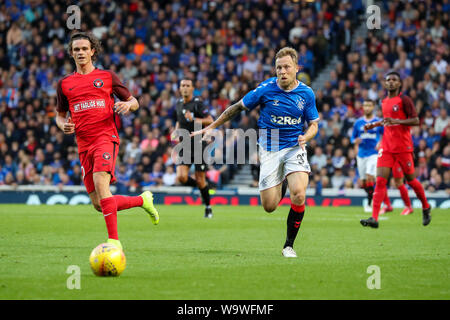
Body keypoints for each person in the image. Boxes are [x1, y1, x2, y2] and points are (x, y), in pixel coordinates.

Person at [192, 47, 319, 258]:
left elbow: (314, 123)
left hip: (294, 147)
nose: (282, 71)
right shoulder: (265, 89)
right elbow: (236, 107)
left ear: (297, 68)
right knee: (269, 206)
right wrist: (212, 126)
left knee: (299, 194)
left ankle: (288, 245)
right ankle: (284, 181)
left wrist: (306, 136)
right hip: (269, 149)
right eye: (279, 67)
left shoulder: (306, 93)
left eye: (287, 67)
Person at [55, 32, 159, 250]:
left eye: (85, 49)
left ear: (93, 51)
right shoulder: (65, 84)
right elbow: (59, 114)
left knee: (103, 188)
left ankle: (114, 243)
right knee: (98, 204)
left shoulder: (108, 77)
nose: (81, 53)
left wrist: (128, 105)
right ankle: (142, 200)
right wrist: (62, 125)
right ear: (71, 54)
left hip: (105, 138)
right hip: (83, 144)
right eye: (77, 50)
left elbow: (134, 101)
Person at [360, 71, 431, 228]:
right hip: (386, 147)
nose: (391, 82)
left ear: (399, 84)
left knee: (411, 180)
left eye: (394, 80)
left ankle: (426, 206)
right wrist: (374, 124)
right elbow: (387, 121)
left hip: (403, 147)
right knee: (380, 181)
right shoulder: (384, 101)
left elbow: (416, 120)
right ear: (385, 83)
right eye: (388, 80)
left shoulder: (404, 100)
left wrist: (397, 120)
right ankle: (374, 218)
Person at [171, 78, 214, 218]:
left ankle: (208, 207)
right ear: (179, 88)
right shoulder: (178, 103)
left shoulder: (197, 104)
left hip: (198, 145)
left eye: (187, 85)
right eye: (182, 85)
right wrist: (175, 130)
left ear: (192, 88)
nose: (184, 88)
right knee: (181, 177)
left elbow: (210, 120)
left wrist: (194, 118)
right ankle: (203, 189)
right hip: (184, 145)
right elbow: (179, 120)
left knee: (200, 179)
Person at [351, 99, 384, 213]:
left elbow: (386, 135)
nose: (367, 108)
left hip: (373, 154)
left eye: (369, 105)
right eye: (365, 105)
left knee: (370, 176)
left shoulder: (378, 122)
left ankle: (371, 204)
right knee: (364, 182)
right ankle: (375, 199)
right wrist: (355, 140)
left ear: (373, 107)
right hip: (361, 155)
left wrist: (381, 143)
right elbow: (352, 137)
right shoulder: (358, 122)